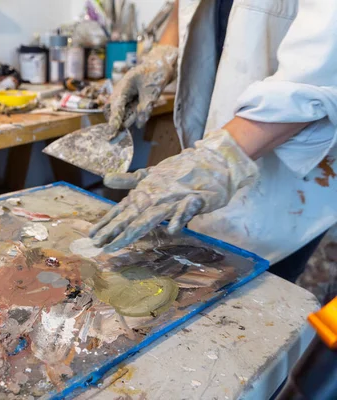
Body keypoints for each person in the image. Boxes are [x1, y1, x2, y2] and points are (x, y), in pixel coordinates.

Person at [90, 0, 337, 283]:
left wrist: (223, 157)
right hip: (220, 126)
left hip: (291, 172)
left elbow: (322, 67)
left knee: (255, 294)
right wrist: (163, 54)